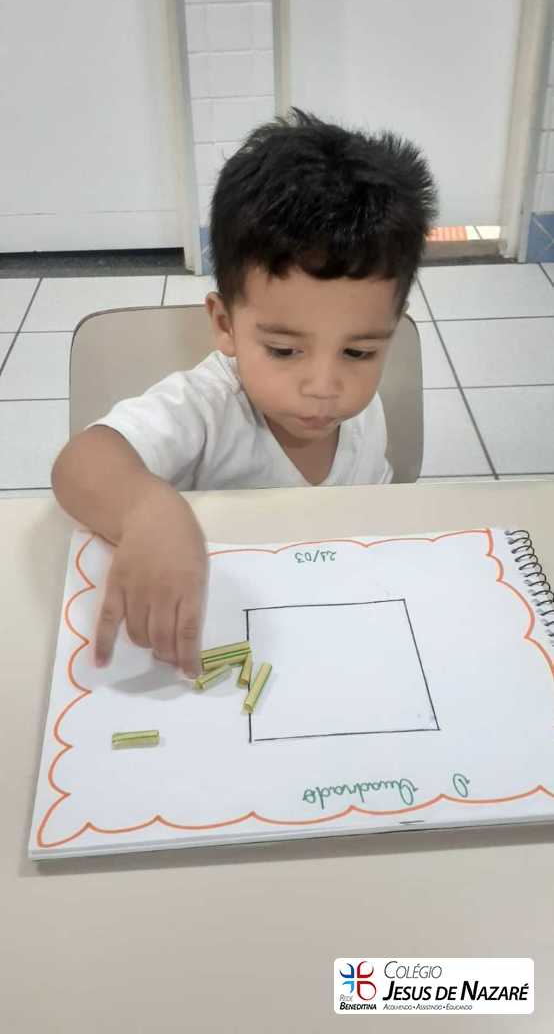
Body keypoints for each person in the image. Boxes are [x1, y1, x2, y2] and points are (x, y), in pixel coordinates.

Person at [51, 108, 438, 679]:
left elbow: (369, 517)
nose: (324, 388)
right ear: (225, 324)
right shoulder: (206, 406)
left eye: (358, 353)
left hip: (327, 635)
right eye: (283, 350)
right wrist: (146, 511)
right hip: (215, 636)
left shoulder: (362, 413)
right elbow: (80, 463)